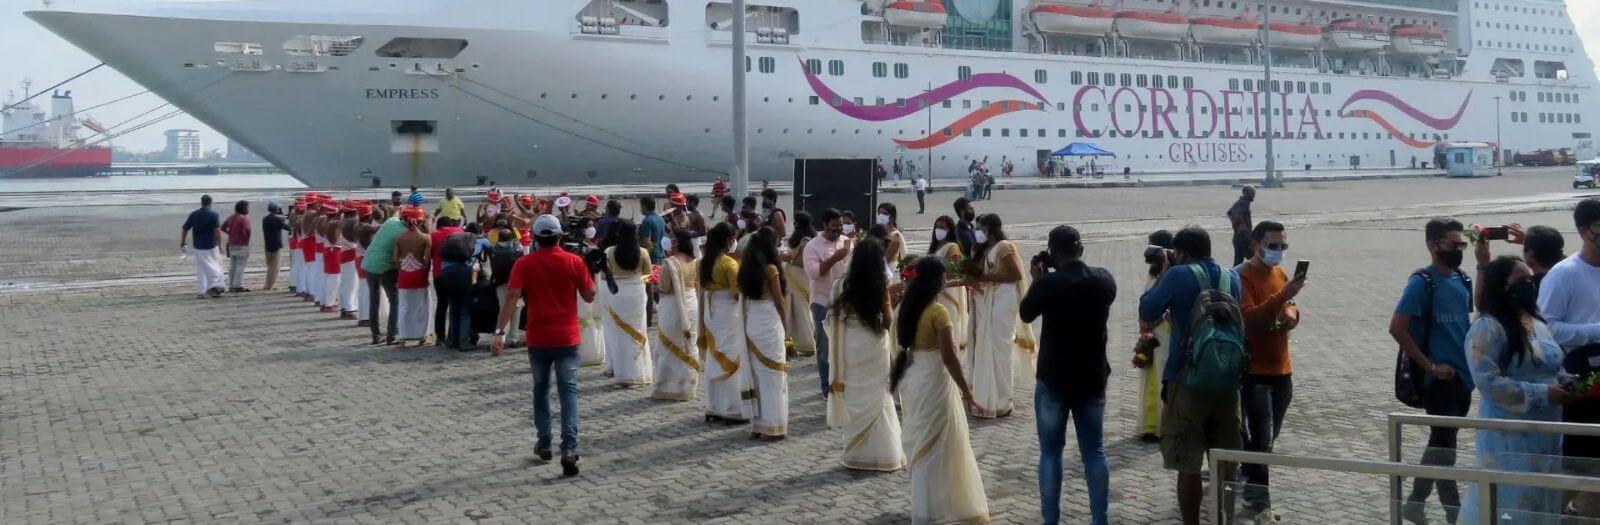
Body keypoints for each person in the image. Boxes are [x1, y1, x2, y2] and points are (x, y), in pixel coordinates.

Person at [1138, 225, 1244, 525]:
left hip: (1187, 380)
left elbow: (1147, 311)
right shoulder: (1232, 277)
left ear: (1181, 252)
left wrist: (1166, 271)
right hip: (1226, 381)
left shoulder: (1177, 275)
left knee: (1189, 464)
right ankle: (1224, 519)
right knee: (1225, 464)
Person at [1460, 255, 1573, 524]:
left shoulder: (1537, 323)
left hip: (1546, 433)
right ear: (1502, 286)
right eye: (1521, 280)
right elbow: (1488, 382)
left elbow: (1549, 366)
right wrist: (1541, 394)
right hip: (1509, 434)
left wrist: (1569, 381)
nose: (1529, 285)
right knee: (1509, 500)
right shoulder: (1488, 327)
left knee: (1542, 497)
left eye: (1530, 279)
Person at [1020, 226, 1116, 525]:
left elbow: (1025, 313)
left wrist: (1038, 280)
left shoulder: (1049, 284)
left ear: (1052, 253)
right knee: (1094, 451)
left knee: (1050, 452)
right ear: (1081, 249)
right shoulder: (1103, 279)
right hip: (1091, 376)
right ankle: (1100, 519)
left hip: (1054, 377)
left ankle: (1051, 520)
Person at [492, 214, 596, 478]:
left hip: (538, 337)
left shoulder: (524, 264)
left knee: (540, 390)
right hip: (567, 337)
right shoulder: (574, 261)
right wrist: (592, 271)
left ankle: (545, 441)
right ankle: (569, 447)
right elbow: (589, 295)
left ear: (536, 238)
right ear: (559, 236)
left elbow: (511, 298)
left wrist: (499, 333)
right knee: (568, 393)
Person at [1390, 218, 1475, 525]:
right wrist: (1429, 366)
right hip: (1439, 381)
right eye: (1453, 244)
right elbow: (1397, 327)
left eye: (1461, 244)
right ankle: (1455, 514)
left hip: (1463, 377)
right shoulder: (1422, 282)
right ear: (1433, 245)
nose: (1458, 250)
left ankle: (1414, 504)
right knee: (1444, 448)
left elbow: (1465, 322)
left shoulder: (1462, 279)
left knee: (1440, 444)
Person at [892, 257, 989, 524]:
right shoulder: (938, 312)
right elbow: (949, 357)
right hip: (935, 382)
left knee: (923, 441)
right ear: (937, 280)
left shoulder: (907, 307)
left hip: (914, 379)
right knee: (940, 442)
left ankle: (925, 505)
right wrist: (967, 392)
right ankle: (941, 504)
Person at [1235, 220, 1308, 522]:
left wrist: (1292, 312)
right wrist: (1282, 297)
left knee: (1268, 437)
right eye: (1273, 245)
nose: (1278, 251)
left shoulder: (1280, 273)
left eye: (1283, 245)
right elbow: (1248, 318)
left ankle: (1247, 472)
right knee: (1262, 438)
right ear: (1256, 245)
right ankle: (1259, 501)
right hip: (1255, 370)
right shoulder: (1241, 275)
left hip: (1282, 369)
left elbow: (1290, 304)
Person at [825, 238, 906, 470]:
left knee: (855, 395)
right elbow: (887, 321)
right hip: (874, 345)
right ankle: (885, 454)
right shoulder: (879, 284)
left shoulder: (840, 285)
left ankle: (856, 454)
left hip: (850, 346)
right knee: (879, 397)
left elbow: (832, 319)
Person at [958, 213, 1036, 418]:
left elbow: (1015, 275)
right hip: (987, 302)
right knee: (986, 347)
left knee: (999, 349)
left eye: (980, 228)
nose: (977, 231)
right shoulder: (984, 250)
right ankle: (986, 397)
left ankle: (1003, 400)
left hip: (1003, 301)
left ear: (990, 229)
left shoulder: (1004, 247)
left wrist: (985, 276)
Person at [739, 227, 789, 440]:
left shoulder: (746, 270)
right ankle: (773, 424)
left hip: (752, 320)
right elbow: (779, 302)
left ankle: (758, 425)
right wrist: (787, 328)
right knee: (774, 376)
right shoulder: (770, 270)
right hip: (769, 321)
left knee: (758, 375)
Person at [698, 223, 748, 424]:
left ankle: (714, 406)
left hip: (712, 314)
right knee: (732, 358)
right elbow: (737, 295)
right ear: (728, 240)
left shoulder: (705, 262)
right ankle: (733, 408)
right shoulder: (730, 264)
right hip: (729, 314)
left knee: (715, 355)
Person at [804, 209, 853, 399]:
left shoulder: (845, 242)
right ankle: (827, 388)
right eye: (834, 227)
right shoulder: (813, 246)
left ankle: (843, 384)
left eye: (840, 226)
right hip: (822, 302)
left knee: (844, 345)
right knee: (825, 347)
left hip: (845, 302)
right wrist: (835, 258)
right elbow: (814, 273)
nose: (838, 230)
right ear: (824, 225)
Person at [602, 220, 654, 387]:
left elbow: (604, 276)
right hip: (636, 294)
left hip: (616, 295)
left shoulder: (609, 252)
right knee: (638, 331)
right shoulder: (643, 252)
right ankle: (638, 372)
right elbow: (649, 277)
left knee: (618, 333)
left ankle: (622, 373)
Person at [1135, 230, 1175, 441]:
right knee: (1148, 376)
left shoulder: (1173, 273)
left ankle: (1163, 426)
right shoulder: (1152, 272)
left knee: (1161, 378)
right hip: (1150, 332)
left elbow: (1167, 305)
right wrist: (1144, 327)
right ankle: (1149, 426)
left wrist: (1151, 322)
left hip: (1165, 331)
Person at [654, 229, 700, 401]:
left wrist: (655, 283)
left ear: (678, 242)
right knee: (688, 342)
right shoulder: (694, 261)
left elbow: (665, 288)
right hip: (691, 302)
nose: (670, 240)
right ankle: (687, 385)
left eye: (672, 238)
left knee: (670, 343)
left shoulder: (670, 263)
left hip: (673, 305)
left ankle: (668, 386)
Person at [362, 208, 406, 345]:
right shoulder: (405, 233)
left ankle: (375, 335)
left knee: (374, 300)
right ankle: (392, 335)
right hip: (385, 267)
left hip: (369, 263)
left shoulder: (391, 221)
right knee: (394, 299)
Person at [928, 215, 968, 357]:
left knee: (947, 327)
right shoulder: (936, 247)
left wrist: (935, 275)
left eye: (942, 228)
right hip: (935, 293)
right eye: (937, 227)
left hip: (948, 294)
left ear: (949, 230)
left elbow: (954, 272)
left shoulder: (952, 247)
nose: (939, 230)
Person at [437, 218, 479, 351]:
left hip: (446, 272)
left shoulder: (455, 239)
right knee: (465, 309)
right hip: (463, 272)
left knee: (453, 307)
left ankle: (452, 340)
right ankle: (463, 342)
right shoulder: (473, 239)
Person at [394, 206, 433, 347]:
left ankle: (403, 337)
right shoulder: (425, 238)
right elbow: (427, 261)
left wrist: (403, 270)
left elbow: (395, 259)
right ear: (420, 221)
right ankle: (422, 337)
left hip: (404, 275)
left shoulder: (400, 237)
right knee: (422, 306)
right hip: (419, 275)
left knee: (404, 307)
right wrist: (425, 273)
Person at [784, 212, 820, 358]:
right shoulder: (807, 238)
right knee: (794, 309)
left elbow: (806, 262)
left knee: (802, 310)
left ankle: (807, 344)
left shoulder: (805, 240)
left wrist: (789, 259)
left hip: (800, 276)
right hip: (793, 276)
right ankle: (793, 342)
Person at [181, 195, 225, 299]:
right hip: (211, 245)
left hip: (198, 246)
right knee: (215, 265)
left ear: (201, 202)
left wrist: (183, 240)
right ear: (210, 203)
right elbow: (217, 231)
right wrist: (220, 245)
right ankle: (215, 286)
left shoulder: (194, 214)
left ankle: (202, 290)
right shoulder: (214, 215)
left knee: (201, 269)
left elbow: (185, 228)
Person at [430, 217, 465, 345]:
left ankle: (440, 336)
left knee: (441, 305)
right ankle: (454, 334)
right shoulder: (460, 232)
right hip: (457, 273)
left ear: (439, 226)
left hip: (439, 273)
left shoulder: (434, 235)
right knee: (455, 304)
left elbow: (430, 254)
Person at [337, 201, 363, 320]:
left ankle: (344, 307)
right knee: (352, 284)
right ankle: (349, 309)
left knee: (345, 283)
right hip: (350, 254)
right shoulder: (352, 222)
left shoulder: (343, 221)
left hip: (344, 253)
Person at [220, 200, 253, 293]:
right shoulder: (244, 218)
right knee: (240, 265)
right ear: (243, 208)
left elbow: (222, 227)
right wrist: (246, 240)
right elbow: (248, 230)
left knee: (233, 266)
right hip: (242, 244)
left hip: (231, 244)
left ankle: (231, 285)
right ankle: (237, 285)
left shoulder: (231, 217)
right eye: (247, 207)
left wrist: (229, 233)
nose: (247, 209)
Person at [262, 202, 287, 291]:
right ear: (277, 209)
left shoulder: (265, 219)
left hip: (268, 245)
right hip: (277, 245)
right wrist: (283, 217)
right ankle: (270, 286)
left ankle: (267, 284)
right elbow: (287, 227)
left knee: (269, 267)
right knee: (275, 267)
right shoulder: (278, 220)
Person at [1228, 186, 1256, 265]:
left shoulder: (1241, 202)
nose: (1254, 195)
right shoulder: (1244, 202)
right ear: (1245, 193)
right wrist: (1243, 229)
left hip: (1240, 238)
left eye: (1254, 193)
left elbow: (1230, 213)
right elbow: (1234, 214)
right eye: (1252, 193)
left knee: (1240, 262)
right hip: (1243, 238)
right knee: (1256, 260)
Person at [639, 197, 667, 266]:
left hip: (651, 256)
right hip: (660, 254)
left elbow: (646, 242)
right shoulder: (661, 219)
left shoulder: (647, 221)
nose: (640, 208)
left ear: (644, 206)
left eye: (641, 206)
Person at [878, 203, 906, 268]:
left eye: (885, 213)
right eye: (879, 213)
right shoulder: (877, 231)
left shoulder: (895, 234)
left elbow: (887, 257)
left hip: (889, 267)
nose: (881, 216)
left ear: (892, 216)